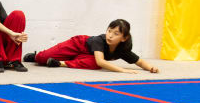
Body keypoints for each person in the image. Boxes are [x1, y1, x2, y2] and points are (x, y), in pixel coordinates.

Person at [24, 19, 159, 73]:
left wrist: (151, 68)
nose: (110, 35)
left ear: (124, 38)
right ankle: (37, 56)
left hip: (88, 55)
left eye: (116, 33)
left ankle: (60, 63)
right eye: (109, 31)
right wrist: (123, 70)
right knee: (42, 58)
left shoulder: (123, 50)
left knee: (95, 64)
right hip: (78, 44)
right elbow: (101, 60)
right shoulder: (100, 40)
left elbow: (139, 61)